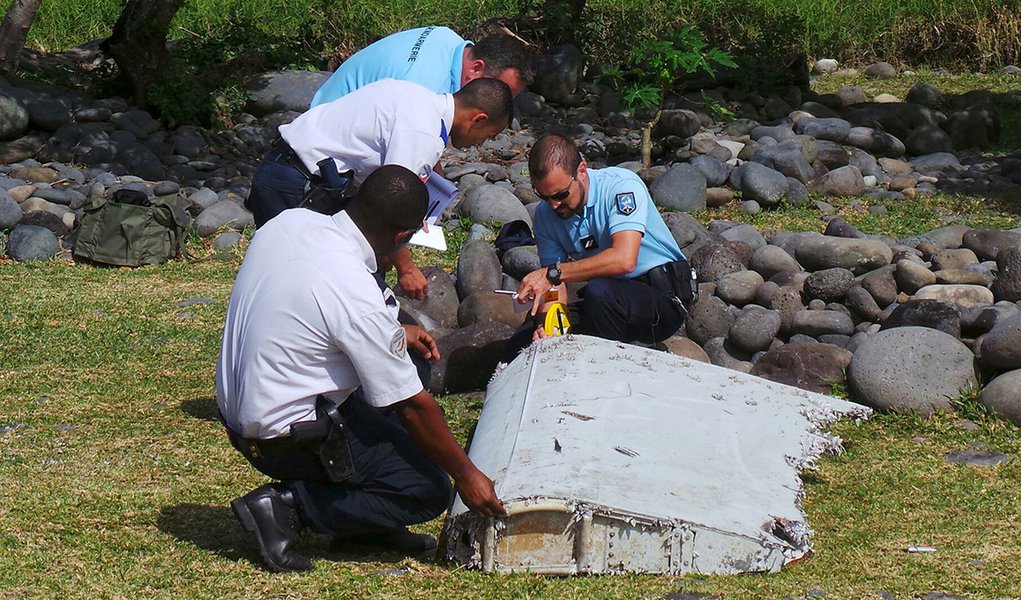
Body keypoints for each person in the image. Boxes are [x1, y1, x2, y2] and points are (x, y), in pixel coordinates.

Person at [218, 165, 506, 573]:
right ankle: (288, 506)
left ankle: (366, 522)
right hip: (284, 437)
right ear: (402, 237)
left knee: (412, 369)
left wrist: (397, 332)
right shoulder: (353, 289)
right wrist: (466, 474)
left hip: (241, 412)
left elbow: (311, 311)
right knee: (424, 489)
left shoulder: (290, 221)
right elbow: (413, 407)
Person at [245, 77, 514, 300]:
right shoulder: (422, 132)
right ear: (478, 119)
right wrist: (406, 269)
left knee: (288, 275)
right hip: (298, 184)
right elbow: (392, 205)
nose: (480, 144)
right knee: (294, 283)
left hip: (285, 168)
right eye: (488, 135)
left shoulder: (415, 94)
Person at [507, 134, 690, 355]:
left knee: (599, 292)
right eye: (544, 196)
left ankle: (614, 365)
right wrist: (548, 326)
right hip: (607, 299)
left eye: (561, 195)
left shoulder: (621, 187)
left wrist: (553, 273)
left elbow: (624, 260)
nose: (554, 205)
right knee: (526, 337)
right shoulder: (546, 216)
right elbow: (554, 287)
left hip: (661, 300)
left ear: (581, 171)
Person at [310, 26, 531, 107]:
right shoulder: (426, 89)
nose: (500, 105)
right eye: (501, 93)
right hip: (322, 147)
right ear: (476, 68)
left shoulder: (447, 38)